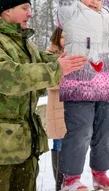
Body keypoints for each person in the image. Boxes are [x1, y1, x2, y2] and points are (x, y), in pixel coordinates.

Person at [0, 0, 87, 191]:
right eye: (24, 7)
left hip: (26, 147)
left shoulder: (24, 45)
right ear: (7, 11)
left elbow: (43, 62)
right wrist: (56, 69)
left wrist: (79, 60)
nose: (30, 13)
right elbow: (8, 78)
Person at [56, 0, 109, 191]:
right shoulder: (70, 12)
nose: (95, 1)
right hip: (79, 82)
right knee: (80, 131)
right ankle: (70, 178)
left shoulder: (104, 15)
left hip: (103, 83)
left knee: (106, 133)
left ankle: (99, 172)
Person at [45, 27, 66, 191]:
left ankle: (71, 181)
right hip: (58, 105)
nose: (65, 40)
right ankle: (59, 184)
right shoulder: (50, 55)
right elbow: (48, 81)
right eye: (63, 37)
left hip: (73, 105)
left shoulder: (76, 52)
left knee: (72, 144)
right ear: (57, 37)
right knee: (59, 143)